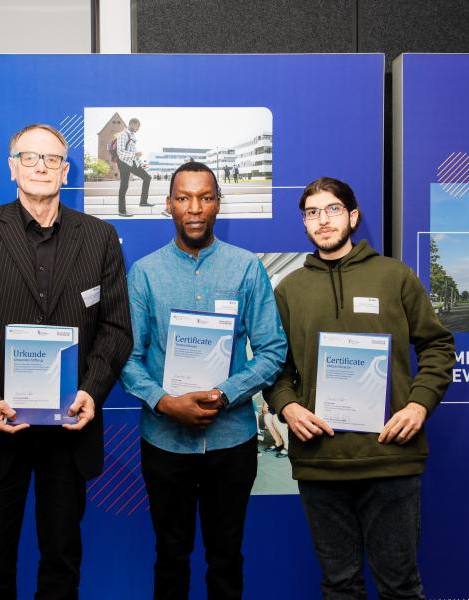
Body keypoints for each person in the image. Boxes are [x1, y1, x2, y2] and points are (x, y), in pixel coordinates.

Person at [0, 123, 133, 599]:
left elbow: (115, 329)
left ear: (66, 171)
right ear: (12, 167)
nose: (41, 166)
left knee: (63, 563)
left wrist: (90, 391)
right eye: (29, 157)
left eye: (51, 159)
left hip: (69, 430)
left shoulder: (100, 237)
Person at [266, 177, 455, 600]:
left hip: (391, 458)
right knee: (339, 587)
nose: (323, 220)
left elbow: (438, 346)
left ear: (353, 216)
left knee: (400, 587)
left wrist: (419, 406)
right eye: (312, 212)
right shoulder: (288, 290)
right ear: (304, 223)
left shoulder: (396, 277)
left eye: (332, 209)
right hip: (321, 462)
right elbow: (273, 367)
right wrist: (289, 408)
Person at [121, 161, 287, 599]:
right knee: (170, 556)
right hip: (165, 441)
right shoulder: (144, 273)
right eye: (183, 198)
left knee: (226, 557)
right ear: (169, 205)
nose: (194, 208)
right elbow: (128, 359)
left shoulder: (247, 269)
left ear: (217, 203)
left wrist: (225, 393)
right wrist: (164, 402)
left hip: (230, 442)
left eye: (205, 197)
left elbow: (272, 350)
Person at [116, 117, 152, 217]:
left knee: (147, 177)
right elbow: (120, 152)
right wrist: (135, 155)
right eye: (138, 126)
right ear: (132, 124)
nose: (138, 128)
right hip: (123, 163)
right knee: (124, 186)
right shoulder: (123, 135)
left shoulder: (132, 136)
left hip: (132, 162)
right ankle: (122, 211)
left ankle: (143, 202)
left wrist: (141, 164)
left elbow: (134, 153)